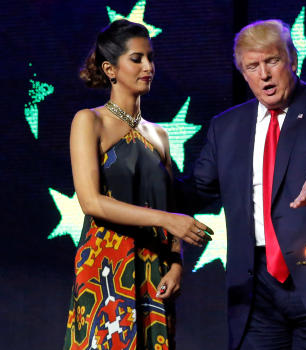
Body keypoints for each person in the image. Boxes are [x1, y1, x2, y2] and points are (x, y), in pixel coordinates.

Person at [188, 19, 306, 349]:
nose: (264, 75)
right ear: (244, 74)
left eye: (272, 61)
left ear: (292, 60)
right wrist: (145, 176)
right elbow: (197, 190)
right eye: (252, 67)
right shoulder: (226, 126)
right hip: (255, 287)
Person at [63, 20, 210, 350]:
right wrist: (165, 220)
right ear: (110, 69)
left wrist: (176, 263)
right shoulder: (89, 121)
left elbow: (171, 208)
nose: (149, 67)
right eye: (137, 58)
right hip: (104, 271)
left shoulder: (159, 135)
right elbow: (91, 202)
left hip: (155, 273)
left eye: (151, 58)